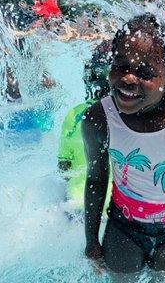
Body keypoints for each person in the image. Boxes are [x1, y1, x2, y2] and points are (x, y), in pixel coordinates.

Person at [82, 13, 165, 281]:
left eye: (145, 73)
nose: (128, 79)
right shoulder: (99, 118)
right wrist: (91, 240)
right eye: (121, 65)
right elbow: (96, 179)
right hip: (123, 226)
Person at [58, 40, 112, 210]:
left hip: (76, 202)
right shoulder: (128, 117)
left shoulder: (74, 116)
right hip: (116, 209)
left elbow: (63, 167)